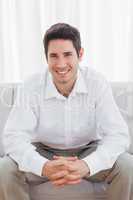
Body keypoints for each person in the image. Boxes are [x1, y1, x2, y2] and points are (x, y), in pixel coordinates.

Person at [0, 23, 133, 200]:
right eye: (54, 56)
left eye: (68, 54)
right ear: (46, 57)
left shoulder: (97, 83)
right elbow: (13, 137)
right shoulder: (30, 86)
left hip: (88, 149)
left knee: (127, 166)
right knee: (5, 169)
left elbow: (118, 135)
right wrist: (43, 166)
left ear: (80, 54)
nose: (61, 64)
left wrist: (87, 164)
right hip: (43, 151)